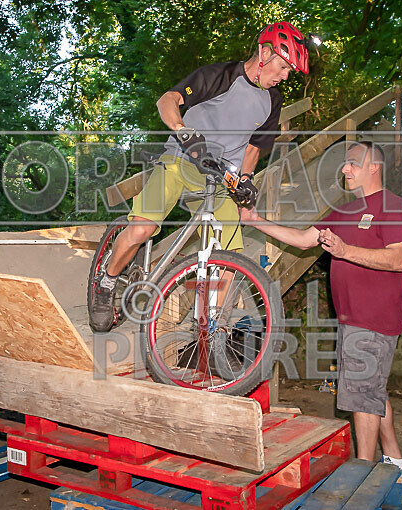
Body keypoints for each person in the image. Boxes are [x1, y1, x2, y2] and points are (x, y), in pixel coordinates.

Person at [90, 21, 310, 332]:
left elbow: (254, 148)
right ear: (264, 53)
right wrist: (183, 130)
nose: (285, 76)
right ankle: (107, 283)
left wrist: (245, 180)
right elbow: (167, 101)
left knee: (231, 255)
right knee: (142, 229)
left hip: (220, 179)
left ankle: (211, 322)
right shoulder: (220, 76)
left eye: (289, 72)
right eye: (284, 67)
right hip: (179, 161)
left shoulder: (272, 101)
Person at [240, 141, 402, 488]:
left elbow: (398, 260)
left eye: (351, 163)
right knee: (368, 388)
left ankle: (363, 474)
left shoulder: (392, 207)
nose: (344, 170)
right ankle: (395, 463)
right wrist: (256, 221)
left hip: (374, 318)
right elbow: (305, 239)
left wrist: (346, 250)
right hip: (352, 318)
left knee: (362, 394)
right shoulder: (345, 211)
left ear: (373, 167)